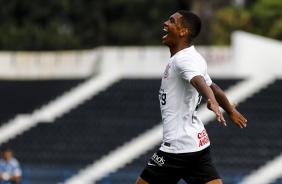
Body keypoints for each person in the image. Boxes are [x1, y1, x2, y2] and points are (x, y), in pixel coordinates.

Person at [136, 10, 247, 184]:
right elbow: (213, 86)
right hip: (197, 144)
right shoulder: (194, 57)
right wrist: (230, 109)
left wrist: (212, 103)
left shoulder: (183, 60)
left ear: (183, 31)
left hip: (176, 150)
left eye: (172, 21)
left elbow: (200, 83)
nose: (166, 23)